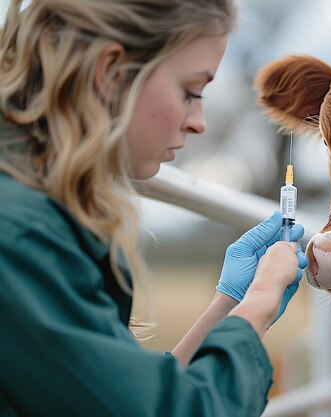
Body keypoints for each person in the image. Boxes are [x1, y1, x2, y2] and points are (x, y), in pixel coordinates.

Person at [0, 1, 307, 416]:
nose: (199, 122)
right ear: (111, 73)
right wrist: (260, 303)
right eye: (191, 91)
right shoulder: (21, 236)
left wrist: (230, 302)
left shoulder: (38, 211)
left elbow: (125, 396)